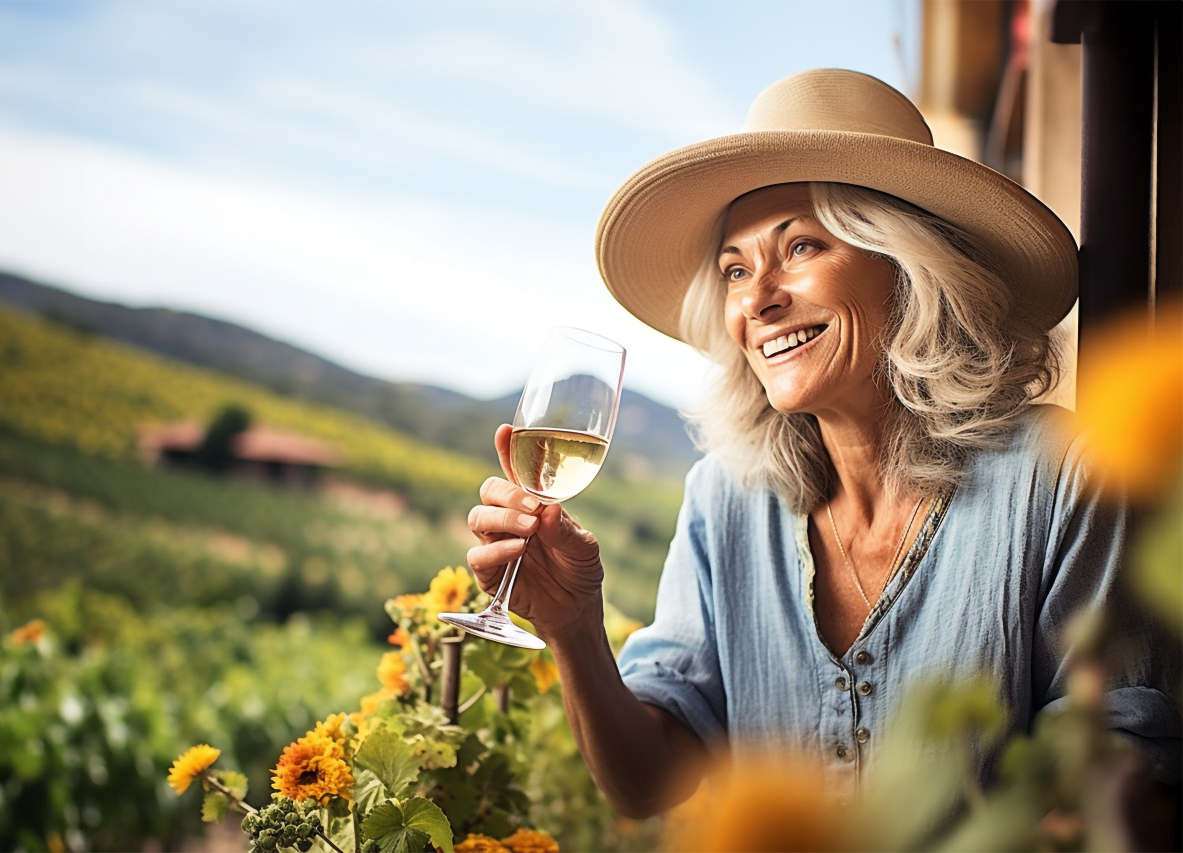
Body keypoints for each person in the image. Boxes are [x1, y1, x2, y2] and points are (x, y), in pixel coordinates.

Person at [464, 69, 1180, 821]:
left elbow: (1116, 786)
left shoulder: (1061, 473)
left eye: (800, 246)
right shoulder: (724, 498)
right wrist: (574, 627)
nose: (756, 298)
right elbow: (647, 781)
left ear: (908, 266)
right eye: (735, 268)